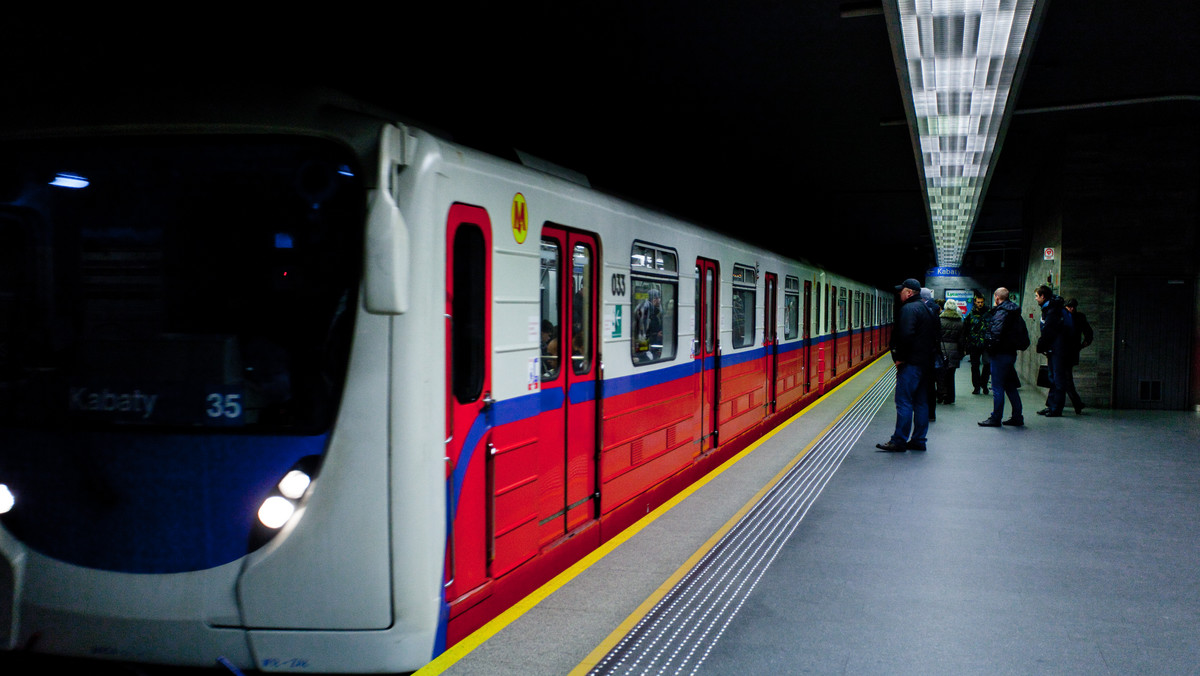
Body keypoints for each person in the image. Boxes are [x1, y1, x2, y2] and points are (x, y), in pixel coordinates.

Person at [877, 278, 939, 452]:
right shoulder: (927, 309)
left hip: (911, 364)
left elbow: (905, 336)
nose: (899, 293)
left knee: (903, 401)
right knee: (921, 403)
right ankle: (919, 440)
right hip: (925, 364)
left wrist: (899, 358)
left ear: (909, 292)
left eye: (902, 291)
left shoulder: (909, 309)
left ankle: (899, 440)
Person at [978, 287, 1027, 427]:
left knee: (997, 387)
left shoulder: (1001, 312)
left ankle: (995, 418)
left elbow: (995, 334)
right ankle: (1017, 416)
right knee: (1010, 386)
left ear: (996, 297)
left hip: (1000, 354)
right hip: (1011, 353)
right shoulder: (1015, 312)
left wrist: (988, 347)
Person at [1034, 285, 1079, 417]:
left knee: (1058, 379)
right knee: (1053, 378)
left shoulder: (1053, 310)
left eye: (1037, 296)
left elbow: (1049, 330)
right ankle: (1052, 406)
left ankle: (1056, 408)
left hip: (1059, 349)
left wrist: (1041, 345)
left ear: (1043, 296)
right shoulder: (1052, 308)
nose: (1036, 299)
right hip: (1056, 348)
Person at [920, 288, 944, 420]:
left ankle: (924, 414)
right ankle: (931, 414)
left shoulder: (925, 311)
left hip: (926, 354)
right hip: (934, 353)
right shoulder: (935, 310)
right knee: (931, 385)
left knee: (924, 385)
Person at [1064, 298, 1091, 414]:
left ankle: (1077, 403)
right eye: (1070, 306)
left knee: (1065, 379)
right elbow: (1088, 332)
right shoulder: (1079, 317)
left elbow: (1088, 332)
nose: (1072, 309)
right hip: (1072, 351)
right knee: (1065, 378)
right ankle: (1076, 403)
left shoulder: (1065, 317)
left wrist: (1083, 344)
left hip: (1066, 351)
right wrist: (1083, 344)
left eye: (1073, 307)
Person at [937, 302, 965, 404]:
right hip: (954, 350)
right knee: (951, 374)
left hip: (941, 349)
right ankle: (950, 397)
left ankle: (940, 395)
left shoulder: (940, 320)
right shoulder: (960, 322)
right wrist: (961, 353)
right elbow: (961, 340)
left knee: (940, 374)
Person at [962, 295, 991, 395]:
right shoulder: (971, 314)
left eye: (981, 302)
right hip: (974, 343)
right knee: (975, 366)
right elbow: (966, 329)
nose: (980, 304)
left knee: (987, 364)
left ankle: (984, 384)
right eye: (978, 302)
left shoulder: (989, 313)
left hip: (986, 343)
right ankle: (977, 386)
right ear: (975, 302)